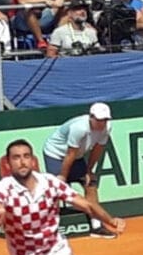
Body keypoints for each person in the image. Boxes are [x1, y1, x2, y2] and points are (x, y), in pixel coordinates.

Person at [42, 102, 117, 239]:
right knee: (56, 188)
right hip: (55, 153)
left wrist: (89, 171)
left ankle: (96, 226)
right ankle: (49, 228)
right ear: (91, 117)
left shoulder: (107, 128)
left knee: (91, 184)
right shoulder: (79, 128)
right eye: (99, 120)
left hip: (76, 156)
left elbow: (98, 150)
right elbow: (70, 154)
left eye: (105, 120)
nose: (102, 123)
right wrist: (63, 177)